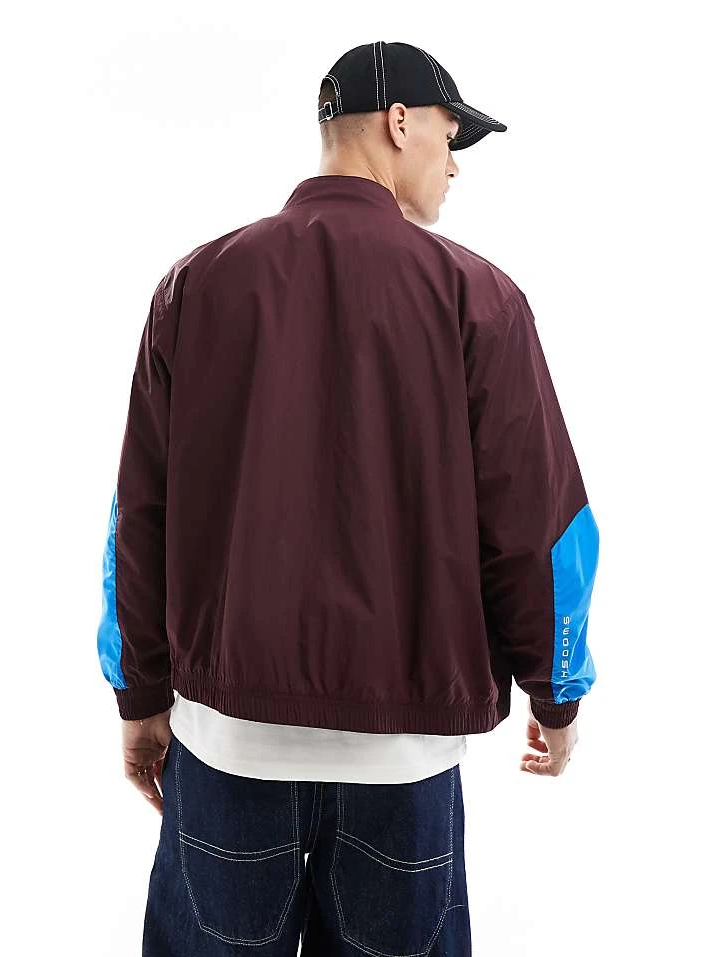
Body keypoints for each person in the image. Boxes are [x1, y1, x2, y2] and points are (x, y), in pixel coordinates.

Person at [97, 40, 600, 957]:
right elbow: (540, 527)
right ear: (399, 123)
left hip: (227, 747)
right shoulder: (478, 298)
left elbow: (140, 517)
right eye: (450, 136)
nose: (455, 164)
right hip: (402, 766)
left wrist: (140, 695)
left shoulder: (196, 284)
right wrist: (556, 693)